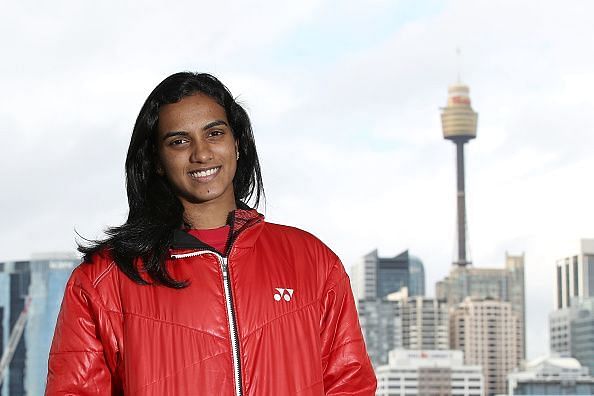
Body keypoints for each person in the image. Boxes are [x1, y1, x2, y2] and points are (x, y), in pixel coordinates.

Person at [46, 72, 376, 395]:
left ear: (237, 144)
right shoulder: (106, 279)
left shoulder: (311, 261)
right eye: (178, 141)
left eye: (214, 133)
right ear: (157, 161)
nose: (201, 153)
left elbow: (350, 385)